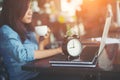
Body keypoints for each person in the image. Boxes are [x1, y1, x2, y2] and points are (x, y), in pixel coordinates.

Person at [0, 0, 62, 80]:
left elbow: (37, 60)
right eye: (26, 8)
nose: (30, 12)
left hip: (37, 74)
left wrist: (41, 42)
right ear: (15, 9)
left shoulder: (27, 29)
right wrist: (58, 50)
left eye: (30, 8)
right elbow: (22, 55)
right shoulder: (6, 31)